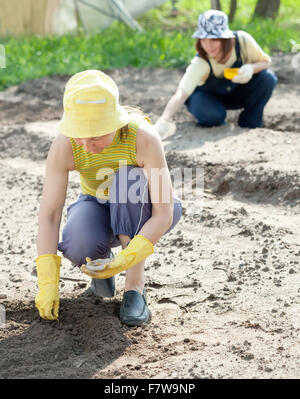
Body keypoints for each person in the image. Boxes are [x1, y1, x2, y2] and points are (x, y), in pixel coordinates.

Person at [34, 70, 182, 326]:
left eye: (96, 136)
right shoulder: (66, 144)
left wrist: (128, 259)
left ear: (115, 122)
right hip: (97, 204)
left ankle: (135, 288)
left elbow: (163, 213)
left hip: (143, 208)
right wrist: (47, 283)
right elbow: (50, 214)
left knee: (127, 182)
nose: (87, 144)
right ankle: (102, 269)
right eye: (80, 135)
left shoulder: (142, 137)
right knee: (78, 244)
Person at [155, 9, 278, 137]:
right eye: (203, 40)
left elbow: (266, 62)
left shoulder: (242, 41)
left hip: (235, 92)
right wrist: (163, 121)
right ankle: (214, 118)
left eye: (213, 39)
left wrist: (251, 68)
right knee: (213, 116)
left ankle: (250, 123)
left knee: (267, 79)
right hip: (205, 98)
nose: (208, 46)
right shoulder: (201, 62)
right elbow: (181, 93)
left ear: (225, 38)